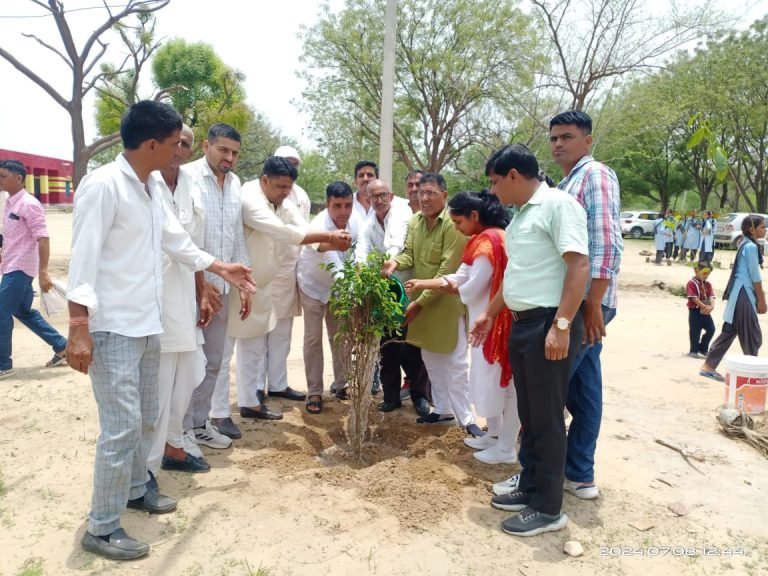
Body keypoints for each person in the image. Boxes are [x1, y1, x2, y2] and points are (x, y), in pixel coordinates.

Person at [65, 101, 256, 560]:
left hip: (147, 322)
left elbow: (175, 239)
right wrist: (78, 327)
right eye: (174, 144)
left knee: (148, 417)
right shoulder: (104, 187)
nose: (179, 152)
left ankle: (134, 489)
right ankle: (103, 525)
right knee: (121, 427)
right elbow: (83, 261)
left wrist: (217, 267)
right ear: (152, 144)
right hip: (112, 328)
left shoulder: (151, 186)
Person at [472, 143, 589, 537]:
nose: (493, 192)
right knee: (530, 415)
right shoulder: (521, 215)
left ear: (514, 176)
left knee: (547, 418)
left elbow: (579, 264)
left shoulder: (559, 206)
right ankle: (531, 482)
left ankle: (548, 507)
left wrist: (562, 325)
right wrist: (490, 311)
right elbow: (516, 274)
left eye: (494, 182)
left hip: (546, 326)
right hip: (522, 325)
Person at [405, 191, 520, 463]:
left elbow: (467, 287)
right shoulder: (481, 240)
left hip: (495, 322)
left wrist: (432, 286)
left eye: (458, 222)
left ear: (474, 216)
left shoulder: (489, 242)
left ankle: (505, 446)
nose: (456, 228)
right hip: (484, 321)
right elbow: (461, 277)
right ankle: (493, 434)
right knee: (487, 380)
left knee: (502, 385)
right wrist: (425, 283)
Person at [233, 158, 352, 420]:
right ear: (264, 180)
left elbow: (301, 228)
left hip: (264, 281)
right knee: (242, 348)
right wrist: (329, 238)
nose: (286, 193)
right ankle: (234, 406)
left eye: (289, 187)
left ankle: (253, 400)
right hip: (242, 281)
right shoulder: (250, 198)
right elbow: (283, 233)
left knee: (263, 340)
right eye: (281, 187)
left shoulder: (281, 200)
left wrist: (327, 242)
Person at [382, 173, 479, 435]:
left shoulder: (452, 224)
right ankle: (443, 410)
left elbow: (448, 268)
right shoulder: (415, 221)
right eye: (421, 192)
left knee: (456, 362)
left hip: (446, 302)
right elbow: (409, 254)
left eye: (430, 193)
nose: (424, 197)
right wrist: (395, 263)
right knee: (431, 358)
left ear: (444, 196)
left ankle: (466, 419)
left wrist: (419, 303)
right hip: (423, 301)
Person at [147, 125, 212, 475]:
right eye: (174, 142)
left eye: (184, 144)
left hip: (185, 290)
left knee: (191, 370)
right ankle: (150, 465)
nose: (178, 149)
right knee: (160, 379)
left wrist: (203, 292)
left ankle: (173, 442)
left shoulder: (191, 185)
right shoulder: (145, 181)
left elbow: (194, 246)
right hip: (155, 295)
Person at [183, 123, 252, 443]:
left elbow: (236, 236)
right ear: (206, 146)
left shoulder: (235, 182)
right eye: (223, 149)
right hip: (190, 289)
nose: (229, 157)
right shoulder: (186, 178)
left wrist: (244, 283)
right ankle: (177, 431)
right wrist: (200, 286)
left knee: (213, 361)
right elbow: (183, 239)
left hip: (222, 291)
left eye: (235, 153)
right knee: (186, 364)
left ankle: (198, 425)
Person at [355, 178, 430, 417]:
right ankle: (391, 397)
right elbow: (362, 247)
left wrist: (381, 265)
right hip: (383, 291)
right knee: (387, 347)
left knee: (411, 347)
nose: (378, 200)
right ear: (367, 198)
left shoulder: (401, 214)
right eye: (373, 196)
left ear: (391, 195)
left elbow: (395, 245)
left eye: (382, 195)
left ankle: (420, 396)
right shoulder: (370, 220)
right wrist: (360, 269)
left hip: (406, 289)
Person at [0, 159, 68, 380]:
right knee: (23, 312)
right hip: (11, 264)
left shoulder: (29, 204)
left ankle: (3, 365)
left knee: (1, 313)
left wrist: (43, 272)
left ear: (18, 178)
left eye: (3, 176)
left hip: (21, 268)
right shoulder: (10, 202)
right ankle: (62, 346)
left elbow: (43, 238)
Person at [297, 181, 359, 414]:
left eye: (348, 205)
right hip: (312, 286)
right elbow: (330, 257)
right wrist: (355, 293)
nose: (343, 211)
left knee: (341, 337)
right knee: (313, 339)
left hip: (338, 289)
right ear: (327, 204)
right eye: (337, 206)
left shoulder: (356, 222)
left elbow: (358, 254)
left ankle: (342, 385)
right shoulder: (318, 224)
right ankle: (314, 391)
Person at [700, 215, 766, 381]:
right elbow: (755, 276)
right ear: (752, 229)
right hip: (743, 294)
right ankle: (752, 371)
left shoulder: (746, 243)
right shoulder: (749, 247)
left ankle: (708, 366)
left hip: (739, 293)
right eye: (762, 227)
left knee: (729, 331)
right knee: (752, 334)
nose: (764, 230)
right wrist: (762, 299)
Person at [687, 261, 716, 359]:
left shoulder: (708, 285)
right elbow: (694, 298)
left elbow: (711, 296)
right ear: (696, 271)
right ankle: (694, 350)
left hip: (705, 312)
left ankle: (703, 347)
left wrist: (711, 306)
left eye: (708, 273)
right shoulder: (691, 283)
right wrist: (703, 305)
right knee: (695, 331)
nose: (706, 276)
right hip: (695, 311)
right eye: (704, 273)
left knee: (711, 329)